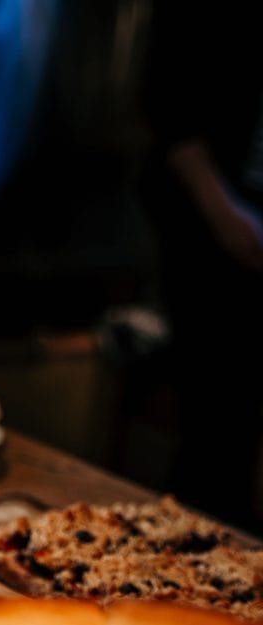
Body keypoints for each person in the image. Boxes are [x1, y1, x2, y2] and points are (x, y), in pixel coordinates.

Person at [139, 4, 263, 530]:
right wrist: (223, 213)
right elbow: (169, 104)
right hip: (213, 225)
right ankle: (197, 552)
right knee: (219, 413)